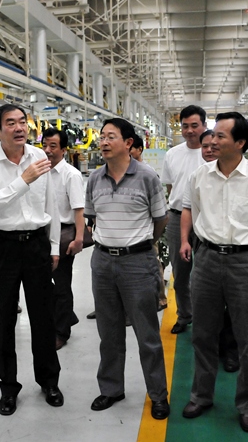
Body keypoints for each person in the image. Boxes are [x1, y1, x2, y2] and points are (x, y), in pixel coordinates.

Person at [179, 112, 248, 433]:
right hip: (207, 260)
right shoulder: (200, 176)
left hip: (244, 262)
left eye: (220, 136)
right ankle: (201, 395)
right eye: (213, 135)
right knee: (203, 334)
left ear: (240, 143)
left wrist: (246, 254)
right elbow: (197, 214)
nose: (212, 140)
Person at [0, 104, 62, 416]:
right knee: (3, 318)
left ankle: (49, 381)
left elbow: (51, 203)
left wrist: (54, 246)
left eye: (22, 121)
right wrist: (23, 180)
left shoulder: (39, 157)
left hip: (36, 243)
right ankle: (8, 387)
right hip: (3, 245)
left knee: (43, 317)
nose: (19, 128)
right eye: (10, 123)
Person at [85, 118, 170, 420]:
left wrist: (141, 245)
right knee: (108, 332)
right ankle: (111, 389)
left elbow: (160, 219)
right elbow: (92, 218)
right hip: (102, 261)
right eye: (102, 137)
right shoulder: (94, 178)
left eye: (111, 137)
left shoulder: (147, 177)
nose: (104, 142)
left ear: (128, 143)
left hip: (137, 262)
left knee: (147, 334)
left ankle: (158, 394)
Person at [180, 130, 240, 374]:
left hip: (237, 251)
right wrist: (185, 240)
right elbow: (187, 209)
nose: (209, 149)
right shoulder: (197, 177)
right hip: (206, 247)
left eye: (213, 145)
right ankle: (211, 347)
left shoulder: (244, 177)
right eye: (204, 146)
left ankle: (231, 349)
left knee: (233, 304)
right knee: (207, 302)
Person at [160, 105, 207, 334]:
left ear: (204, 126)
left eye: (194, 125)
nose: (189, 131)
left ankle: (207, 320)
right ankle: (185, 315)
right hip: (178, 218)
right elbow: (171, 187)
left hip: (207, 219)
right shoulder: (172, 154)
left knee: (207, 274)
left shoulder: (212, 152)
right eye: (185, 126)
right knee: (180, 274)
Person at [41, 128, 85, 350]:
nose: (47, 150)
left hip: (64, 235)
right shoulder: (40, 171)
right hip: (43, 233)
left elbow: (79, 210)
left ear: (64, 150)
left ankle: (61, 332)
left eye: (53, 146)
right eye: (44, 145)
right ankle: (67, 315)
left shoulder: (71, 175)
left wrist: (79, 239)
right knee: (44, 282)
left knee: (61, 284)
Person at [132, 132, 167, 312]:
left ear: (139, 149)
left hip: (146, 228)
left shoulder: (149, 174)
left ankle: (160, 298)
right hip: (128, 232)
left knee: (153, 263)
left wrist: (153, 235)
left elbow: (160, 210)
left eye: (131, 148)